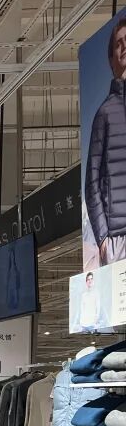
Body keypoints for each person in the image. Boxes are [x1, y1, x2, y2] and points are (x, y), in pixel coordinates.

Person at [86, 17, 126, 266]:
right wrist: (102, 239)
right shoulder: (104, 113)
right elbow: (92, 182)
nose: (125, 46)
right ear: (111, 59)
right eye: (119, 43)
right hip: (117, 240)